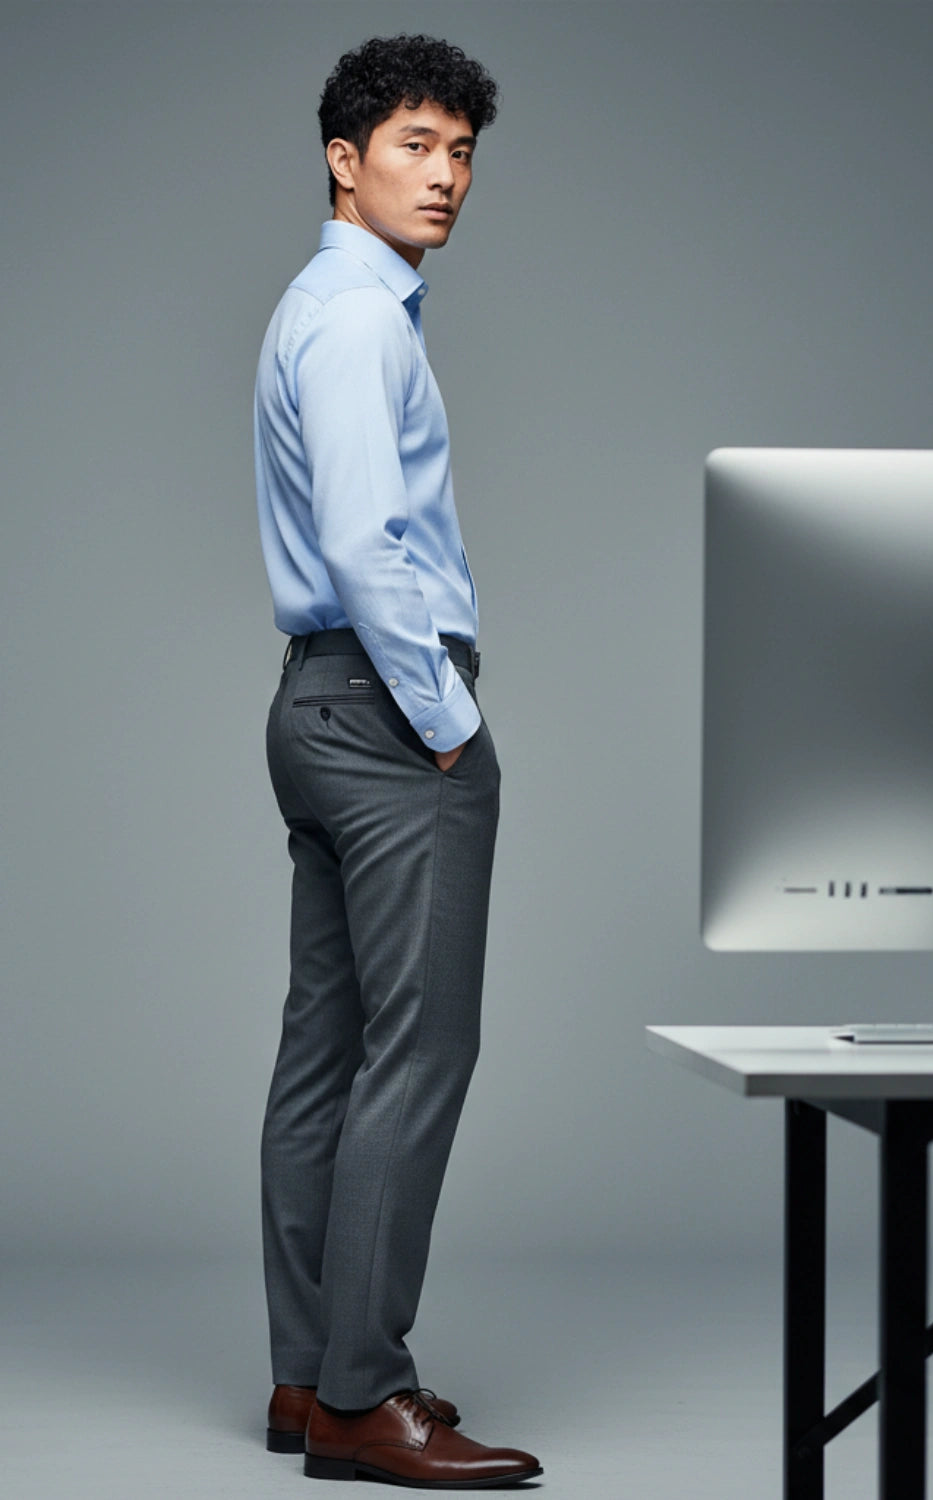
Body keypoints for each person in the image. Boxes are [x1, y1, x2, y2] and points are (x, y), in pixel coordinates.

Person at [253, 33, 541, 1487]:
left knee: (328, 1052)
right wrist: (449, 724)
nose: (447, 176)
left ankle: (309, 1378)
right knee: (416, 1054)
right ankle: (370, 1395)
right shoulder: (361, 320)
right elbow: (371, 544)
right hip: (382, 714)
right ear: (344, 156)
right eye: (418, 145)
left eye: (463, 151)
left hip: (312, 705)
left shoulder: (318, 305)